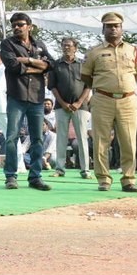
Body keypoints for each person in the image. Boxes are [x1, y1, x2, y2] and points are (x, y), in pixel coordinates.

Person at [80, 11, 137, 192]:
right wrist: (104, 88)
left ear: (122, 28)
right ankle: (104, 179)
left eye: (116, 26)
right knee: (101, 141)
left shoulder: (133, 49)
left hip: (127, 100)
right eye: (109, 26)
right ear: (103, 28)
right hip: (102, 100)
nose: (113, 29)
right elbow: (85, 76)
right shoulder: (94, 52)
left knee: (129, 141)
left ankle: (129, 179)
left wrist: (123, 89)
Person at [0, 13, 53, 191]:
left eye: (20, 24)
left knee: (37, 139)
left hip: (37, 98)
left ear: (29, 26)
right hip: (16, 97)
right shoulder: (7, 44)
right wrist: (38, 67)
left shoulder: (39, 45)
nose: (16, 27)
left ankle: (35, 177)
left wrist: (27, 60)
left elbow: (51, 65)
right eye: (13, 24)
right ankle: (11, 176)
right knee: (12, 137)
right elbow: (13, 66)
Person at [48, 37, 91, 179]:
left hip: (81, 106)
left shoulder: (83, 65)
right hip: (61, 106)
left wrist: (79, 102)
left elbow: (88, 86)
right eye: (64, 46)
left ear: (75, 48)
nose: (66, 48)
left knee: (82, 138)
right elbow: (52, 86)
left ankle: (85, 170)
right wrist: (63, 102)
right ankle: (60, 169)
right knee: (61, 138)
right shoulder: (55, 65)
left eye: (69, 46)